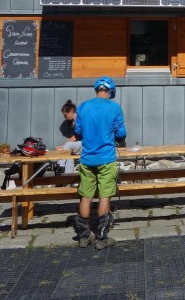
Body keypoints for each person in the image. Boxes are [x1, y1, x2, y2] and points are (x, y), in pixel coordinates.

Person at [72, 77, 126, 249]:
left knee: (86, 196)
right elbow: (121, 133)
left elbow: (78, 131)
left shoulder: (83, 107)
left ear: (96, 89)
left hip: (87, 159)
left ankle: (83, 236)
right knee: (105, 196)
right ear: (111, 91)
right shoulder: (114, 107)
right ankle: (102, 238)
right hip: (106, 158)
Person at [56, 99, 81, 174]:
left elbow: (76, 137)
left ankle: (60, 165)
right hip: (80, 145)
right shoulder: (72, 122)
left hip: (87, 144)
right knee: (68, 155)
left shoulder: (80, 119)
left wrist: (64, 147)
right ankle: (68, 177)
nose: (65, 117)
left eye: (65, 115)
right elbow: (72, 137)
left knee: (68, 145)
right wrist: (63, 146)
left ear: (71, 111)